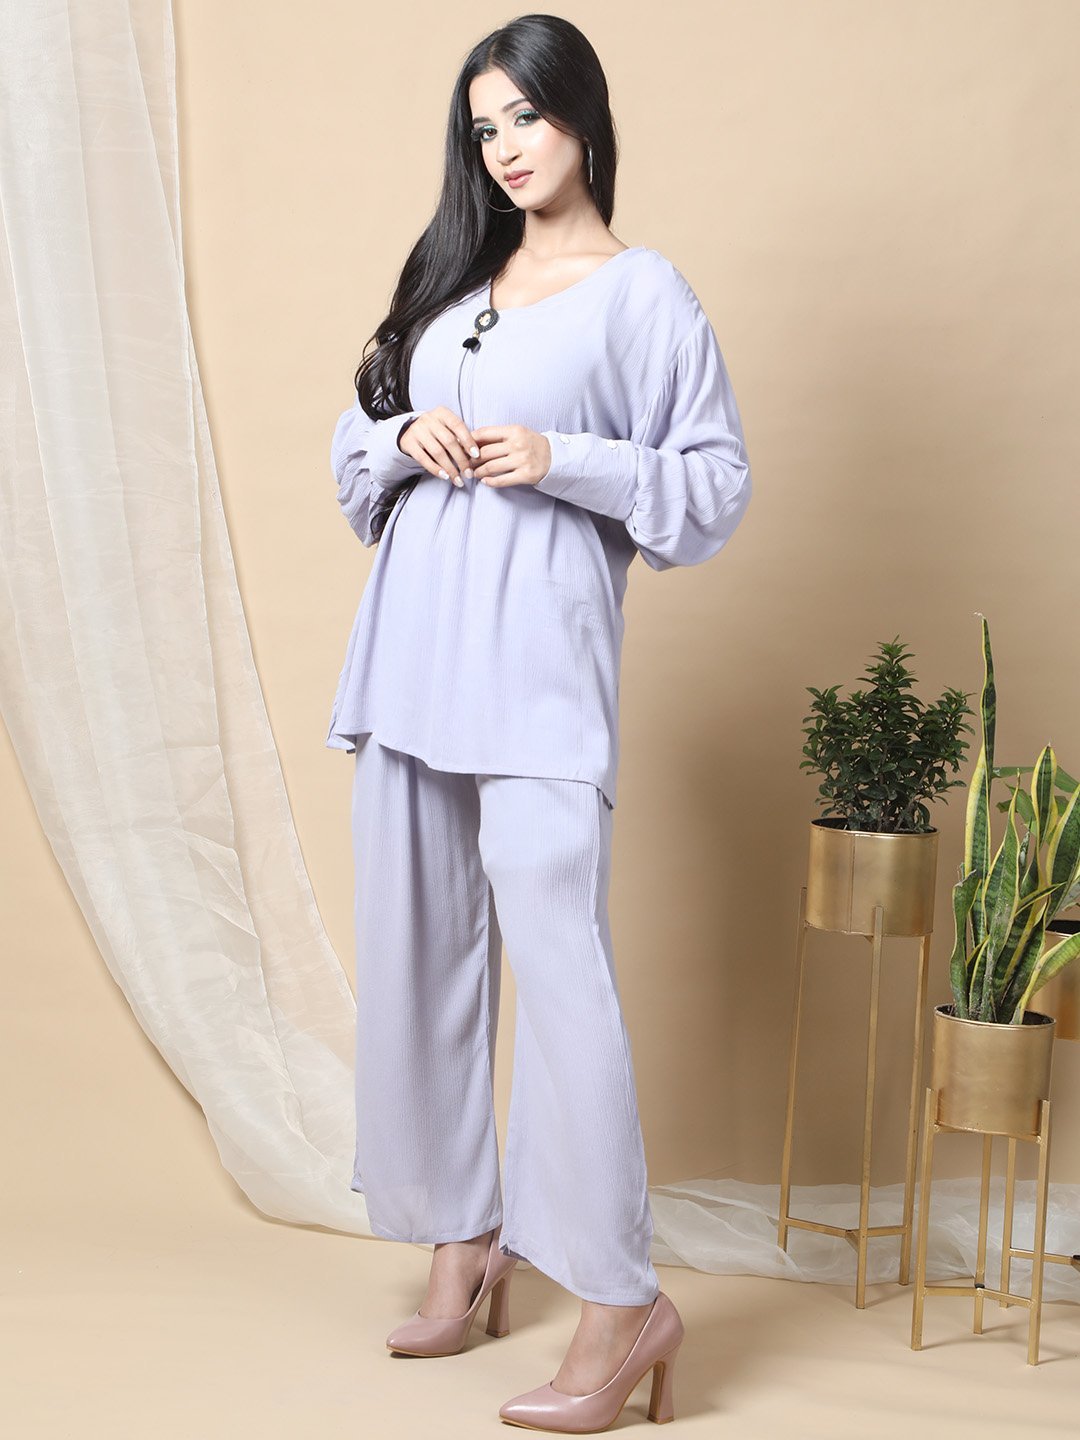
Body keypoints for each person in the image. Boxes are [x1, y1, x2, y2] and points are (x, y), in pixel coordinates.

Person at [325, 14, 752, 1432]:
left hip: (538, 680)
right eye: (483, 128)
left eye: (525, 117)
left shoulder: (643, 295)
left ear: (582, 117)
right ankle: (464, 1241)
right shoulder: (452, 279)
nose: (505, 148)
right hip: (410, 666)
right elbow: (353, 451)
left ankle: (622, 1303)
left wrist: (563, 457)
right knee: (417, 957)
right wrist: (403, 437)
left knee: (561, 977)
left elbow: (711, 488)